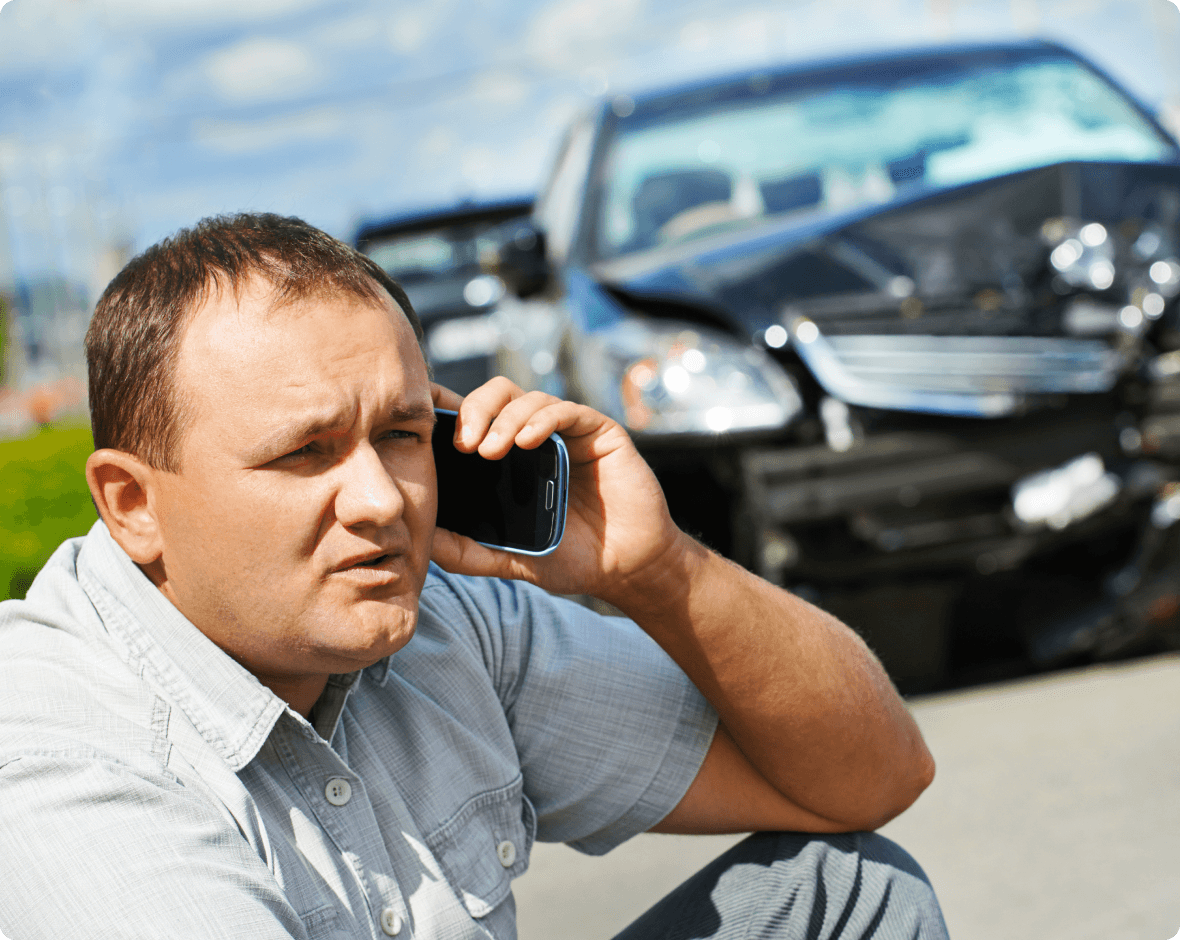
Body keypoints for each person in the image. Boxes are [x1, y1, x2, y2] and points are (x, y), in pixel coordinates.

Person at [0, 213, 946, 940]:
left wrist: (655, 571)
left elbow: (868, 779)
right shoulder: (54, 759)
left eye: (401, 435)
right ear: (132, 503)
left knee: (847, 897)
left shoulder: (444, 620)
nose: (379, 500)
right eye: (305, 452)